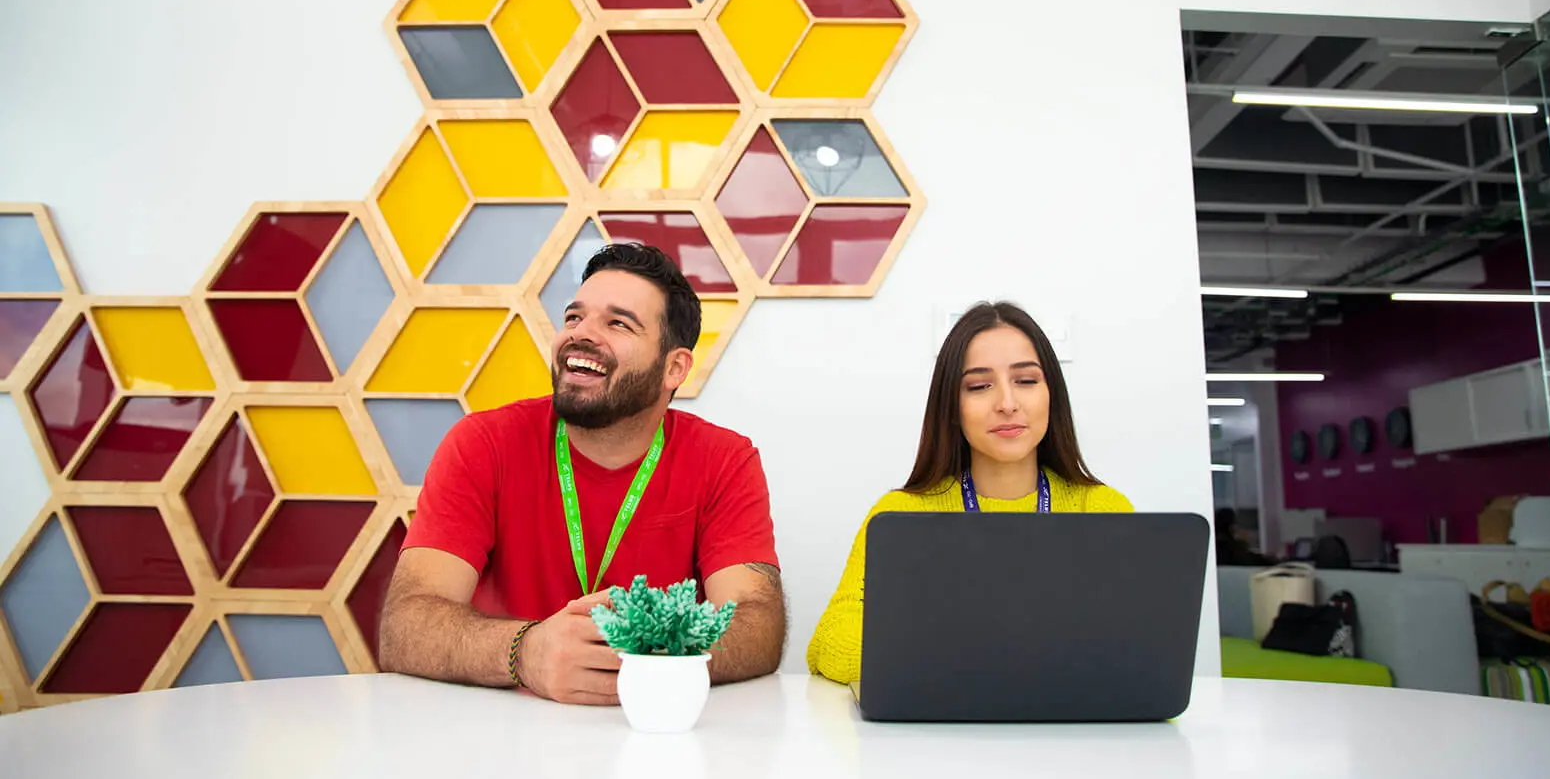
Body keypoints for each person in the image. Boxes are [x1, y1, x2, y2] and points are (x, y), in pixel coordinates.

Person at [380, 244, 786, 705]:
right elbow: (406, 624)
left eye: (617, 323)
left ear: (674, 367)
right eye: (574, 317)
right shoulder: (482, 443)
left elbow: (758, 622)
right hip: (498, 733)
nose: (580, 334)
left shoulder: (724, 459)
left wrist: (644, 651)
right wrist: (525, 651)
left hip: (655, 734)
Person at [806, 301, 1133, 685]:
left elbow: (1136, 644)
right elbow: (829, 640)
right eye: (979, 386)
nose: (1007, 404)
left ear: (1052, 396)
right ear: (952, 408)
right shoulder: (901, 515)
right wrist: (958, 659)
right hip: (938, 730)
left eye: (1026, 381)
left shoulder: (1101, 510)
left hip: (1072, 732)